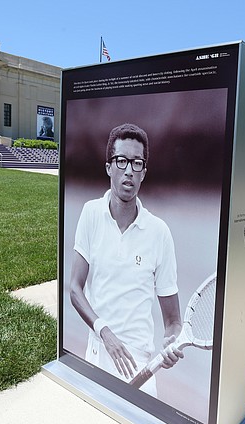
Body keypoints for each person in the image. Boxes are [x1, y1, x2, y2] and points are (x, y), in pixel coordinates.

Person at [70, 123, 183, 397]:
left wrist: (171, 342)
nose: (129, 170)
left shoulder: (159, 232)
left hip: (138, 366)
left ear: (144, 172)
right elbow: (75, 288)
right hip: (97, 354)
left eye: (136, 163)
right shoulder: (91, 214)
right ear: (109, 166)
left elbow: (173, 320)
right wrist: (105, 333)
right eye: (121, 161)